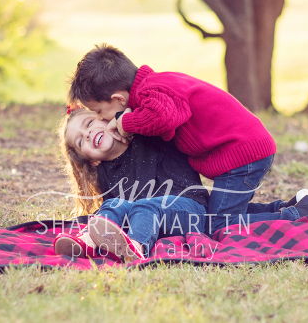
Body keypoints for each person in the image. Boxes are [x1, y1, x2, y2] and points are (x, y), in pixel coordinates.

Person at [67, 44, 308, 235]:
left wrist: (126, 123)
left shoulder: (154, 92)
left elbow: (165, 118)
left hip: (244, 154)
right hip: (241, 152)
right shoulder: (153, 88)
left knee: (223, 226)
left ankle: (301, 214)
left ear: (118, 99)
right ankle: (285, 207)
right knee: (221, 208)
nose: (107, 120)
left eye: (102, 113)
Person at [54, 107, 210, 262]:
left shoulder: (147, 135)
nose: (87, 134)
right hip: (154, 223)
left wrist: (124, 120)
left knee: (145, 206)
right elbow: (121, 213)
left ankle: (135, 249)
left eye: (89, 123)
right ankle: (87, 241)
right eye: (80, 142)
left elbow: (159, 113)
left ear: (106, 118)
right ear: (92, 160)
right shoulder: (104, 171)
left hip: (191, 211)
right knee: (113, 203)